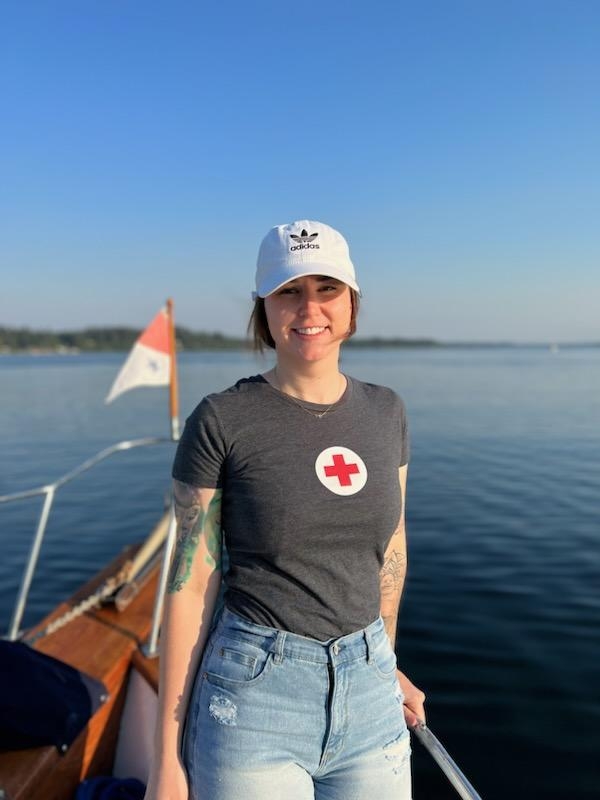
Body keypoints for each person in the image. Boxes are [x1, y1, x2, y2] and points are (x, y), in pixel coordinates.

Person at [143, 220, 425, 800]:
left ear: (352, 305)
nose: (309, 308)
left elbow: (390, 551)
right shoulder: (222, 420)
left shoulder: (386, 412)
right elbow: (189, 580)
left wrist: (384, 663)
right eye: (289, 291)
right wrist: (165, 759)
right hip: (252, 697)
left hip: (369, 684)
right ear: (264, 310)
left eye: (327, 289)